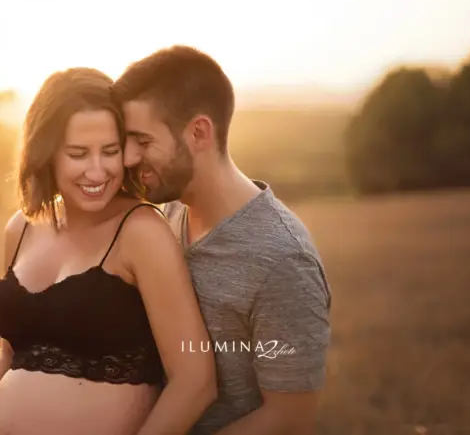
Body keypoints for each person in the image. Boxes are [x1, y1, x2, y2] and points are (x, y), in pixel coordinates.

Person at [0, 67, 218, 435]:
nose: (97, 170)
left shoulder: (140, 232)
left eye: (110, 151)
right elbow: (9, 354)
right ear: (47, 153)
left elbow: (195, 381)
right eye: (78, 153)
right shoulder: (21, 229)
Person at [110, 45, 332, 435]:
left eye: (143, 142)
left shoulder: (282, 259)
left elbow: (290, 418)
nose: (128, 158)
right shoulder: (169, 216)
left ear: (198, 132)